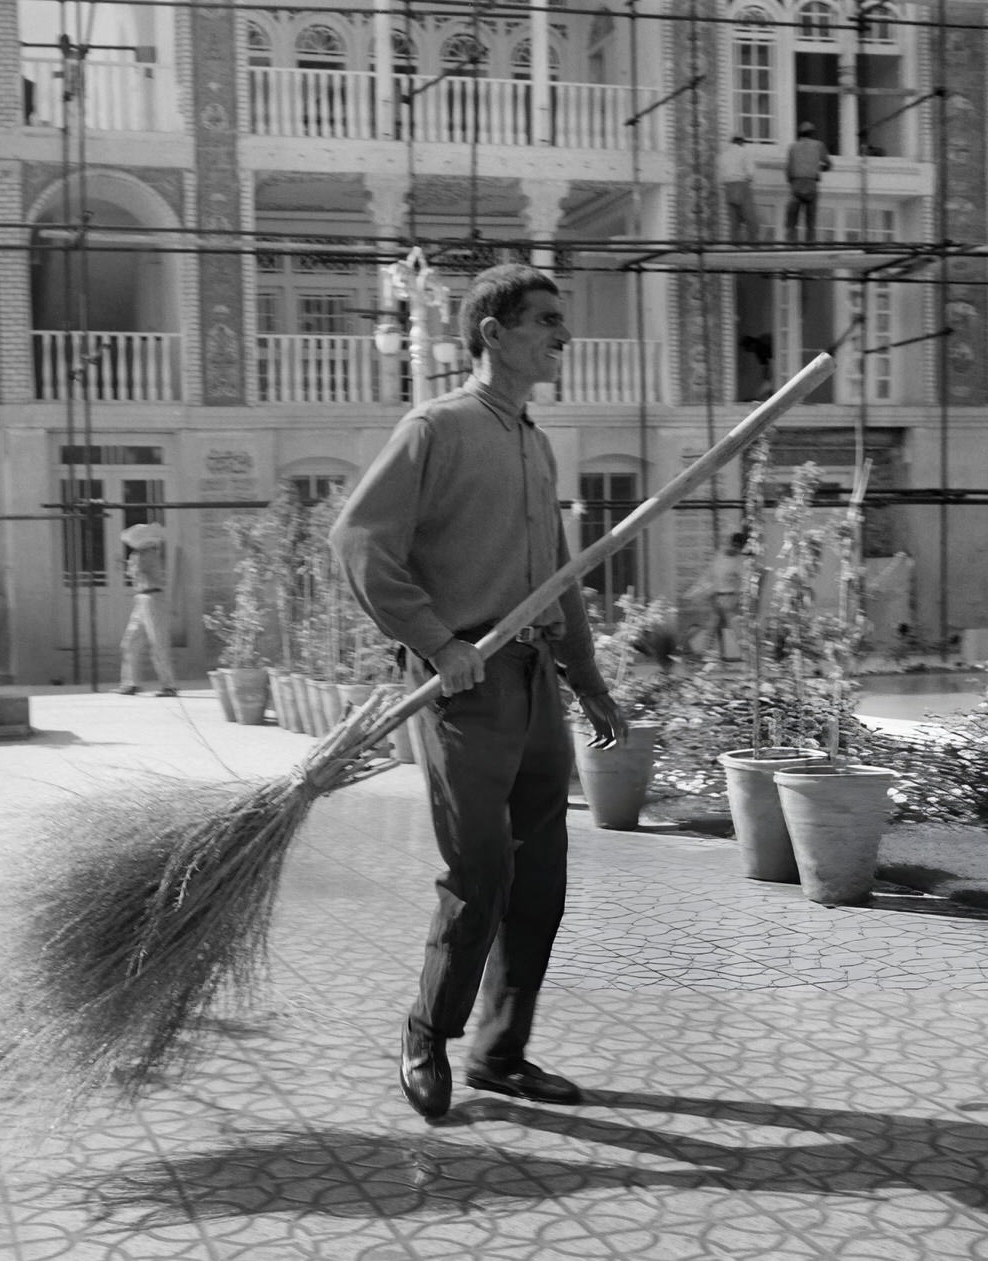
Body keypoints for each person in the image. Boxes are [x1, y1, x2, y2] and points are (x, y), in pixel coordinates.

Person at [330, 263, 627, 1120]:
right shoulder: (438, 428)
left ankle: (501, 1052)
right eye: (545, 320)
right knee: (482, 869)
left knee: (542, 880)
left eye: (561, 320)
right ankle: (428, 1029)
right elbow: (358, 541)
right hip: (467, 689)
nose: (561, 335)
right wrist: (436, 641)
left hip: (535, 687)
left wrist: (590, 681)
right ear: (492, 333)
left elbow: (558, 579)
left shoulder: (534, 441)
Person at [114, 522, 178, 697]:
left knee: (158, 643)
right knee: (131, 641)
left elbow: (138, 573)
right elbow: (135, 574)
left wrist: (128, 565)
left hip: (152, 598)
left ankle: (168, 685)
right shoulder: (141, 554)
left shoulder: (148, 554)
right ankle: (130, 683)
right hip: (143, 598)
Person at [684, 532, 746, 661]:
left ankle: (744, 655)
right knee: (715, 627)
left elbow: (743, 581)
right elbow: (709, 576)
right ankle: (707, 654)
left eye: (738, 547)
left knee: (731, 627)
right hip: (718, 597)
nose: (735, 548)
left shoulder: (740, 561)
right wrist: (695, 593)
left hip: (731, 598)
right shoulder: (720, 557)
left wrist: (739, 598)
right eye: (734, 545)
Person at [785, 121, 832, 243]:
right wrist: (818, 168)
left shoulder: (793, 147)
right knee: (810, 220)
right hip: (811, 184)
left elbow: (788, 169)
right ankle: (809, 246)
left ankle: (791, 245)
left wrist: (793, 183)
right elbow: (829, 164)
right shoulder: (818, 145)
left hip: (796, 184)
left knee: (792, 221)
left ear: (799, 133)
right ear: (812, 134)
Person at [720, 134, 759, 242]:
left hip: (728, 187)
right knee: (750, 219)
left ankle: (735, 245)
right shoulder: (744, 152)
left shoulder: (724, 155)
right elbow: (750, 173)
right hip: (741, 185)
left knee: (734, 221)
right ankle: (754, 244)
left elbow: (721, 175)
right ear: (742, 142)